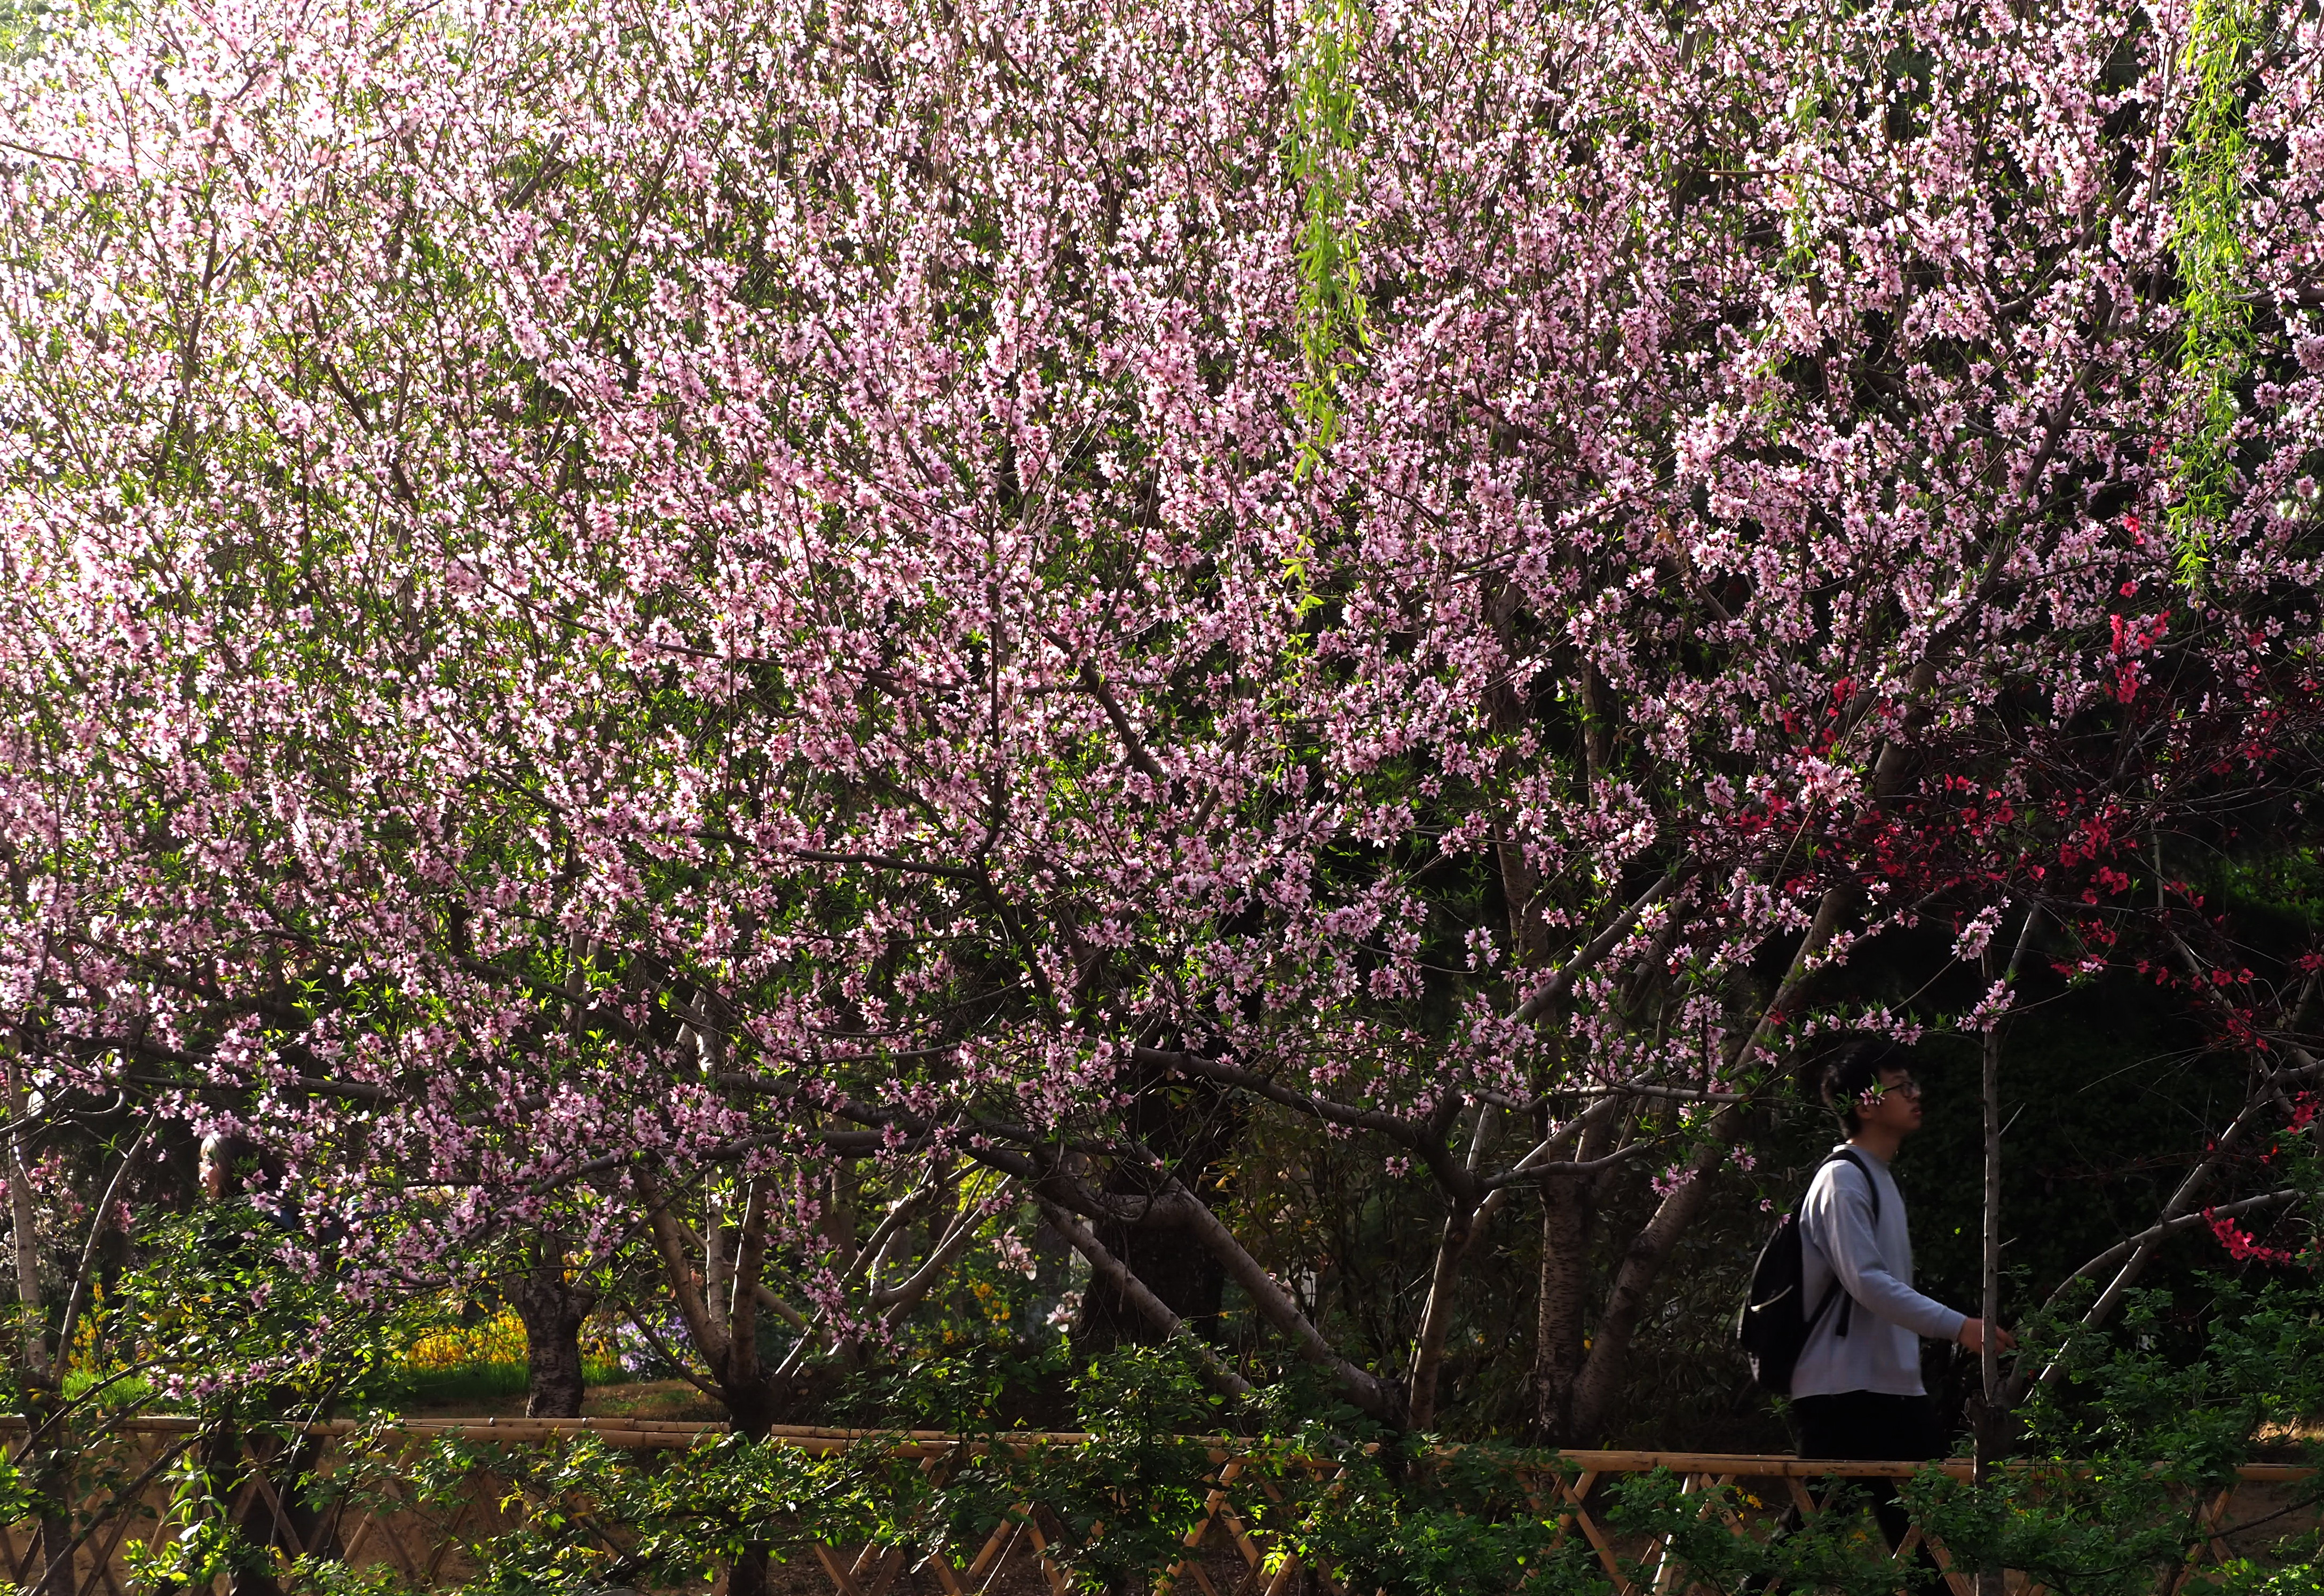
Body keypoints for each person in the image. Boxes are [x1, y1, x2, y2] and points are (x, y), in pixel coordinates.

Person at [1789, 1038, 2013, 1577]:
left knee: (1928, 1542)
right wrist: (1959, 1327)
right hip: (1843, 1392)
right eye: (1902, 1086)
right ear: (1866, 1102)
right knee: (1809, 1543)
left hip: (1888, 1390)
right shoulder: (1842, 1180)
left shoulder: (1878, 1178)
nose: (1917, 1095)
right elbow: (1867, 1282)